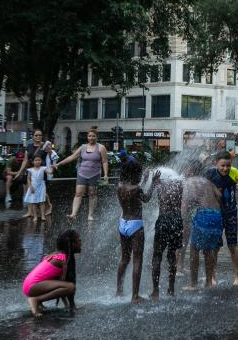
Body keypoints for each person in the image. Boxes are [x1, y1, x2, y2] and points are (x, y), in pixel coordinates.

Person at [115, 160, 158, 302]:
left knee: (124, 259)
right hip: (136, 225)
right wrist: (153, 183)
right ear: (134, 173)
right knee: (137, 260)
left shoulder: (119, 186)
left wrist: (145, 179)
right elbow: (146, 198)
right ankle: (135, 296)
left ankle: (119, 291)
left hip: (123, 224)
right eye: (139, 173)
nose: (140, 175)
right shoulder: (136, 189)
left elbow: (135, 190)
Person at [205, 150, 238, 286]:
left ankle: (237, 276)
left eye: (228, 165)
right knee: (215, 247)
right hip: (215, 214)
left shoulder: (233, 172)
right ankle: (212, 276)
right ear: (216, 164)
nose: (225, 168)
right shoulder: (210, 174)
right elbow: (202, 187)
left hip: (230, 213)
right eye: (222, 165)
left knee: (233, 245)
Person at [181, 160, 224, 290]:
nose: (184, 171)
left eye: (185, 168)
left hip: (204, 216)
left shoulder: (189, 182)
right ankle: (209, 282)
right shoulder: (208, 182)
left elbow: (185, 206)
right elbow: (219, 195)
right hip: (217, 215)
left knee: (194, 250)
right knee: (209, 250)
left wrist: (182, 219)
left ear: (190, 170)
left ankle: (193, 284)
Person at [53, 127, 109, 220]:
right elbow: (72, 157)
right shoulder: (83, 147)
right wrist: (59, 164)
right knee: (78, 193)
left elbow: (105, 161)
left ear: (96, 137)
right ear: (87, 137)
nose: (91, 138)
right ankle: (73, 214)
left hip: (95, 174)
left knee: (92, 194)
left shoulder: (101, 148)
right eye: (89, 136)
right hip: (82, 173)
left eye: (93, 136)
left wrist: (106, 175)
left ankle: (90, 215)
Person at [22, 229, 80, 317]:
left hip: (29, 284)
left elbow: (61, 285)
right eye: (78, 240)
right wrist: (72, 306)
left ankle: (38, 302)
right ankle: (36, 299)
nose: (80, 243)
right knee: (71, 287)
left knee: (68, 286)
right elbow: (67, 286)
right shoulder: (64, 260)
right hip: (33, 286)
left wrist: (67, 305)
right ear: (70, 244)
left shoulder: (56, 254)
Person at [150, 168, 184, 299]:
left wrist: (154, 182)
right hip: (176, 221)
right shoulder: (179, 185)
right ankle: (171, 289)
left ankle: (155, 291)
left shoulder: (160, 186)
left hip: (163, 220)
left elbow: (147, 197)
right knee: (172, 255)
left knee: (157, 256)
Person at [14, 130, 55, 217]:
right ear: (33, 137)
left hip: (41, 171)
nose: (38, 137)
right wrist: (19, 172)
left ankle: (49, 206)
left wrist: (52, 166)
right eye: (36, 135)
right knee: (28, 191)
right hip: (30, 170)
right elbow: (25, 160)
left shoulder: (45, 145)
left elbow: (51, 156)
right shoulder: (29, 147)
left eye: (40, 135)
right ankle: (30, 212)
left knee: (43, 191)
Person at [23, 151, 53, 221]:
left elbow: (49, 172)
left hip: (41, 186)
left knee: (42, 201)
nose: (37, 161)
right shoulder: (30, 170)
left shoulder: (43, 168)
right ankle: (35, 216)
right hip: (33, 186)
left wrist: (52, 167)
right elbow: (28, 179)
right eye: (36, 160)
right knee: (34, 202)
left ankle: (43, 216)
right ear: (32, 162)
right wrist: (30, 186)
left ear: (41, 161)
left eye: (39, 160)